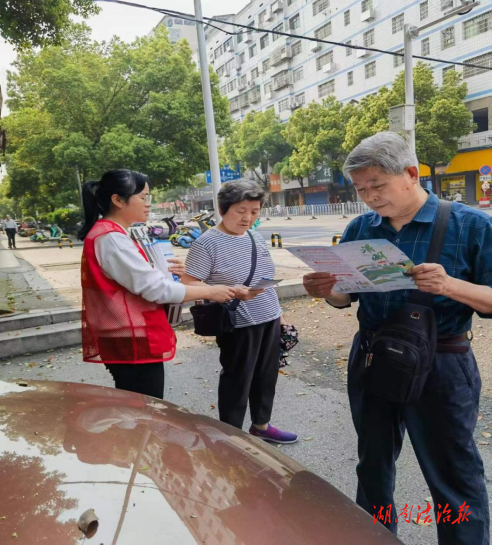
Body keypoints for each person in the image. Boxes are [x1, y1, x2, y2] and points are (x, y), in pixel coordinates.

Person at [303, 132, 490, 545]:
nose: (369, 196)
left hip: (441, 363)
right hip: (372, 355)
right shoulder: (361, 228)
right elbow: (345, 296)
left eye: (377, 185)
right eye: (360, 188)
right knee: (373, 465)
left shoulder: (472, 224)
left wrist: (449, 286)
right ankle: (374, 536)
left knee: (453, 472)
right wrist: (327, 290)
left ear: (410, 173)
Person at [78, 169, 236, 400]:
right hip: (130, 337)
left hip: (125, 334)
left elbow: (141, 280)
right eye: (143, 197)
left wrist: (168, 271)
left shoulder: (112, 233)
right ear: (118, 200)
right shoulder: (111, 238)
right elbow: (156, 289)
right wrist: (210, 291)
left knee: (137, 408)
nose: (148, 204)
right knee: (144, 411)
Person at [181, 179, 297, 444]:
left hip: (268, 317)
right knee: (237, 380)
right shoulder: (207, 243)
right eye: (241, 211)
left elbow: (265, 277)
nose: (248, 218)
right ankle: (229, 435)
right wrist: (232, 290)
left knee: (266, 376)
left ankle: (261, 425)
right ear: (223, 209)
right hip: (238, 323)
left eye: (254, 212)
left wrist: (278, 313)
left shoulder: (256, 237)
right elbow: (188, 283)